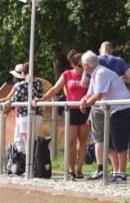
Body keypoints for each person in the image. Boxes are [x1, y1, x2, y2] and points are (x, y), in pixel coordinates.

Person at [85, 43, 130, 180]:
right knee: (111, 141)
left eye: (83, 65)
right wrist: (84, 100)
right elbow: (90, 93)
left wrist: (86, 104)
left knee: (119, 141)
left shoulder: (101, 73)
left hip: (123, 108)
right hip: (114, 109)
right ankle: (116, 171)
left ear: (86, 65)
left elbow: (98, 95)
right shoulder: (95, 73)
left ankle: (122, 173)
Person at [37, 51, 90, 179]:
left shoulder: (89, 75)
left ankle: (79, 170)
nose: (82, 68)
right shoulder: (66, 74)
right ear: (73, 65)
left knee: (83, 141)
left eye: (84, 65)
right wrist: (42, 99)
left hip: (85, 109)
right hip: (71, 110)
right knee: (71, 141)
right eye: (79, 66)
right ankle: (71, 170)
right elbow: (55, 89)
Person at [0, 62, 44, 153]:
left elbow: (14, 99)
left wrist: (4, 104)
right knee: (31, 140)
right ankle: (33, 159)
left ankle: (29, 161)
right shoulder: (39, 83)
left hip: (25, 115)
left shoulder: (21, 85)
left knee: (27, 142)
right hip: (38, 114)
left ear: (24, 72)